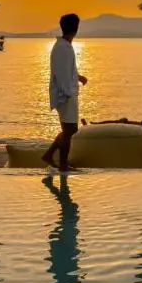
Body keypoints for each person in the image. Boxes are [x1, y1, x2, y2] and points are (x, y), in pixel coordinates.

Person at [43, 13, 88, 171]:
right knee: (70, 130)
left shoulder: (65, 46)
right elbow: (61, 75)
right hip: (65, 95)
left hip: (67, 93)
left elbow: (68, 70)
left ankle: (54, 158)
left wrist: (78, 77)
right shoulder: (63, 48)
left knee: (68, 130)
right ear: (75, 29)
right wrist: (68, 93)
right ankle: (59, 161)